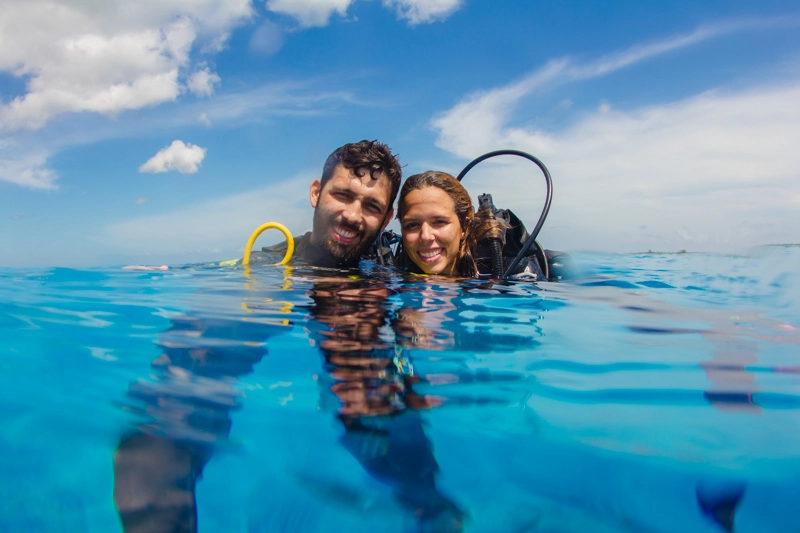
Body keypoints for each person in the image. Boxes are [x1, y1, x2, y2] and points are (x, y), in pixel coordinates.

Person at [262, 140, 402, 269]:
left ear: (386, 220)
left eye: (372, 206)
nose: (352, 216)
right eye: (342, 195)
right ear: (316, 193)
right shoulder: (265, 267)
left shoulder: (388, 271)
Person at [395, 171, 507, 277]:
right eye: (412, 225)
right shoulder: (392, 275)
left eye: (439, 222)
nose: (425, 236)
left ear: (464, 226)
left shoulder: (505, 272)